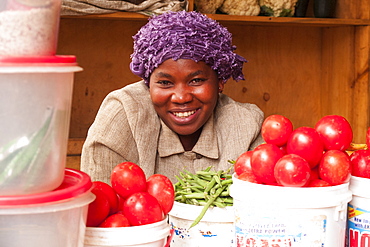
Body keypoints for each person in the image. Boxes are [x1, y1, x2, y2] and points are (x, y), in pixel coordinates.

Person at [80, 10, 264, 184]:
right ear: (148, 83)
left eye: (196, 80)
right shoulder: (123, 115)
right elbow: (100, 203)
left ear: (220, 82)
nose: (181, 97)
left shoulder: (247, 125)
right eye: (165, 83)